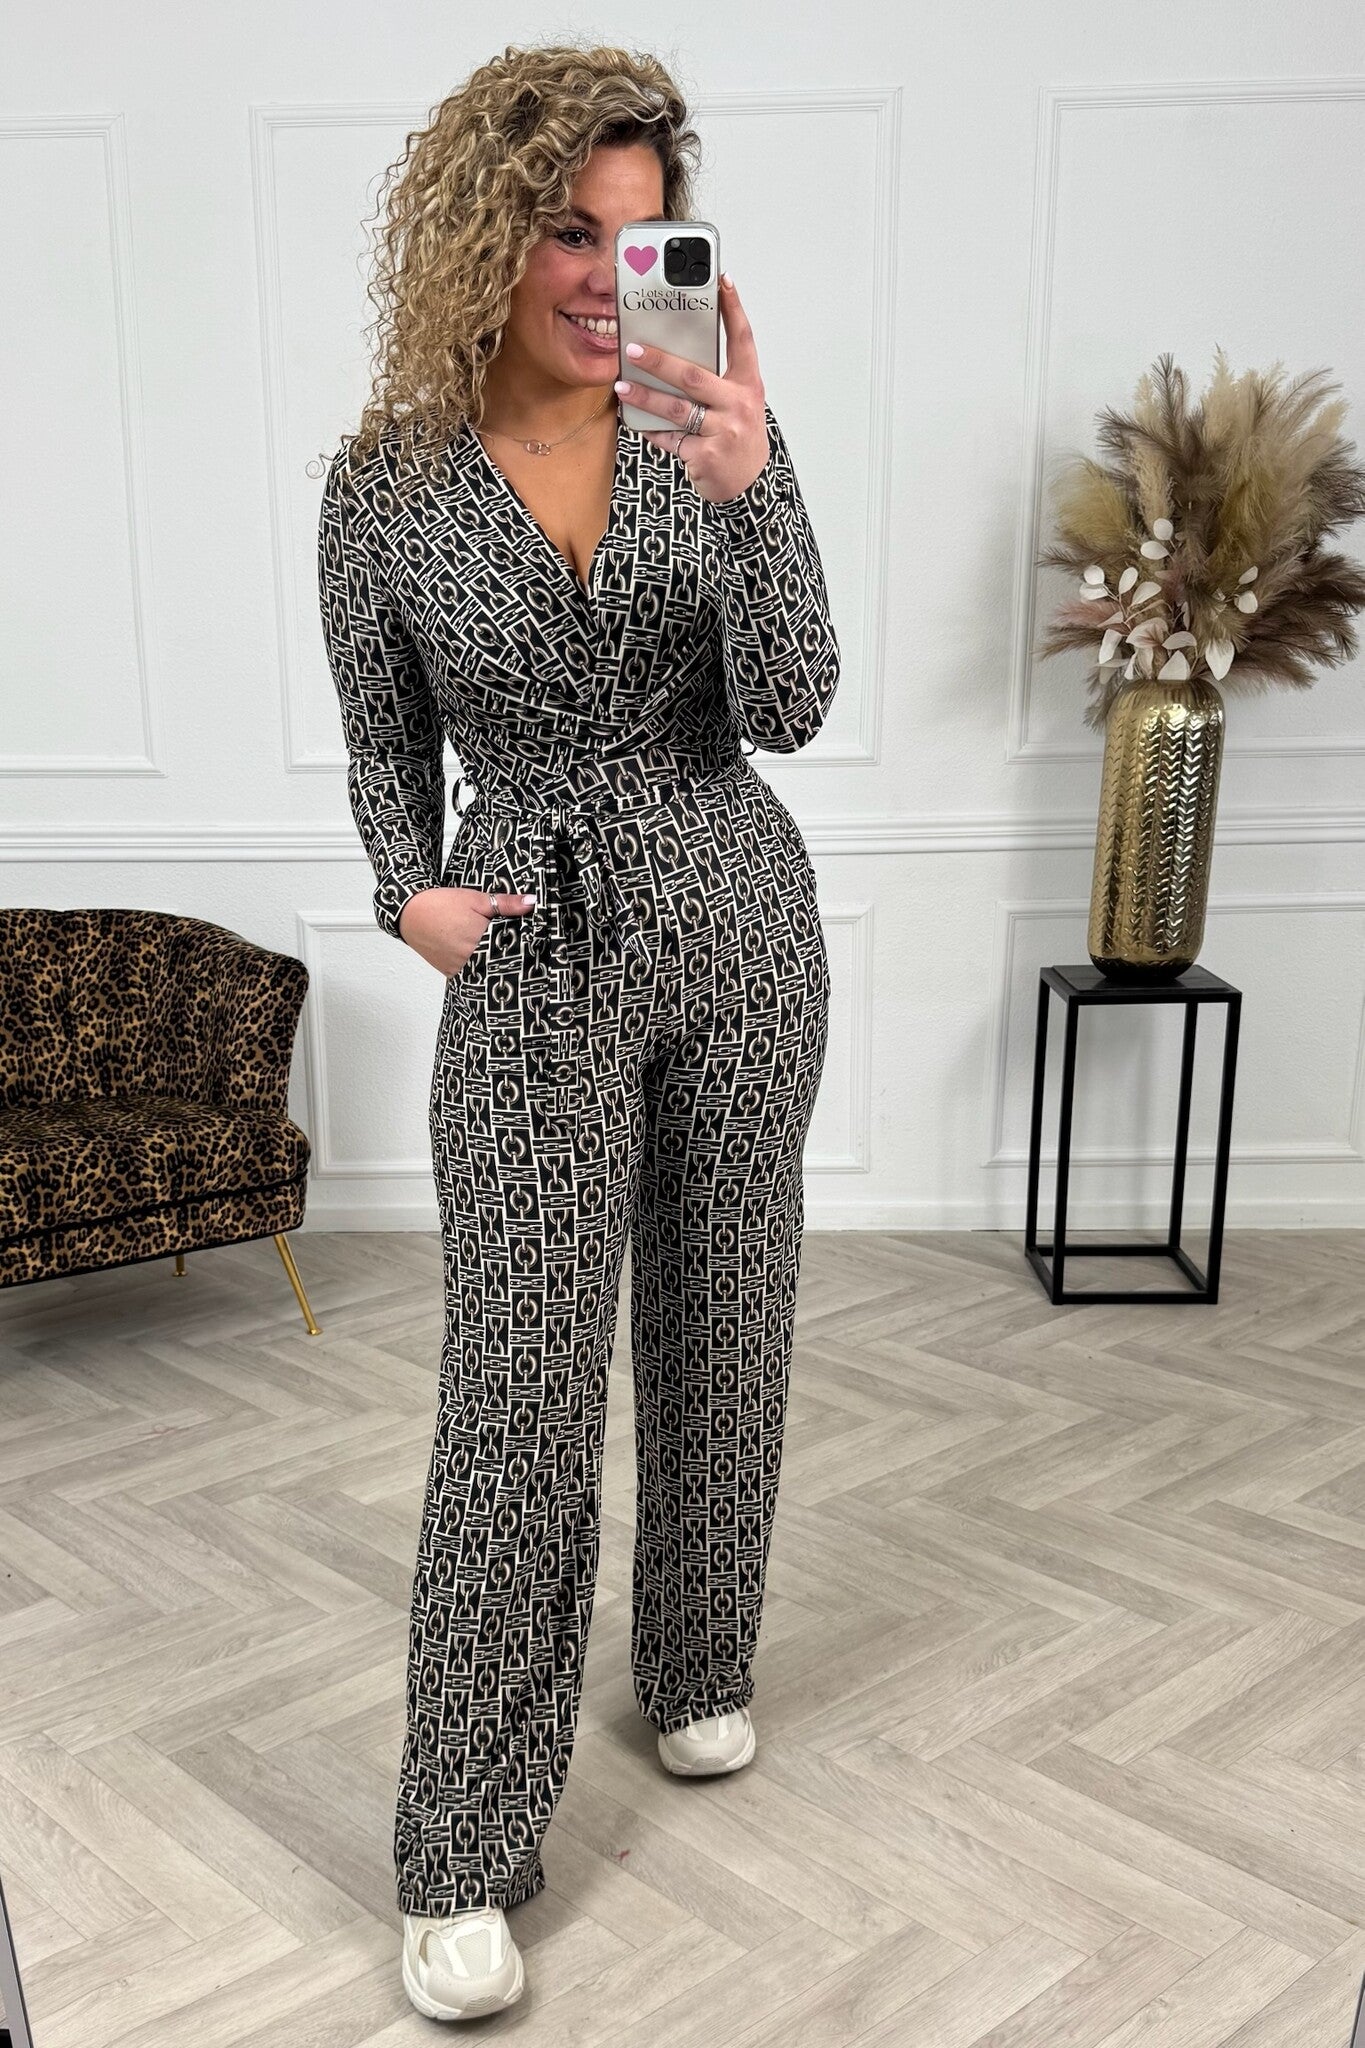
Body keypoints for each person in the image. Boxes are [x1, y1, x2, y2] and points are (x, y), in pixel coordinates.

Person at [317, 39, 838, 2023]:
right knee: (520, 1394)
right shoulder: (384, 487)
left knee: (725, 1323)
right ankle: (459, 1846)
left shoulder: (709, 426)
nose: (608, 274)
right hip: (531, 950)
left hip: (737, 918)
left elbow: (790, 701)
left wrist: (749, 483)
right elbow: (383, 742)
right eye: (565, 229)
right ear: (482, 232)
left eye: (641, 235)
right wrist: (408, 893)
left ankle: (695, 1659)